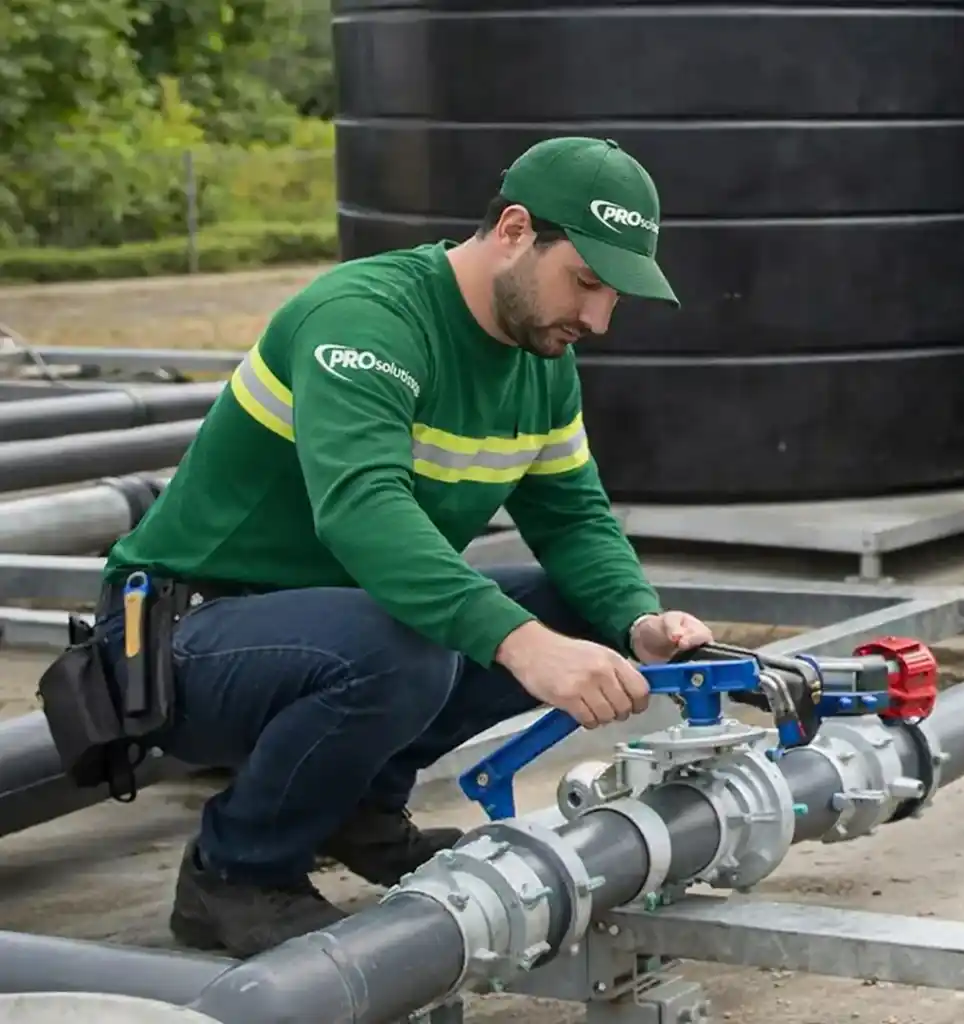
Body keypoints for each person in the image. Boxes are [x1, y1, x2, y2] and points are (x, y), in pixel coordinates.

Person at [92, 135, 715, 958]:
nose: (597, 319)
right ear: (515, 231)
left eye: (615, 297)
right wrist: (521, 644)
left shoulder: (542, 362)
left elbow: (573, 518)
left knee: (577, 611)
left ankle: (356, 808)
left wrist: (637, 621)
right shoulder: (367, 320)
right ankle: (235, 873)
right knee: (411, 646)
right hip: (182, 638)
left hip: (335, 628)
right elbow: (362, 509)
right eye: (586, 282)